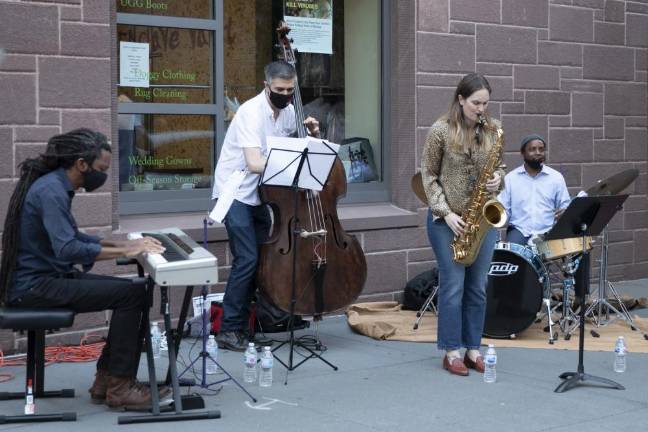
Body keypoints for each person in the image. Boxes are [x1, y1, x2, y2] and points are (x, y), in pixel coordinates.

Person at [0, 128, 169, 410]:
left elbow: (76, 238)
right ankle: (120, 386)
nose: (103, 175)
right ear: (81, 164)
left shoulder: (53, 185)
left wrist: (124, 245)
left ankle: (106, 380)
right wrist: (127, 249)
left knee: (132, 291)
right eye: (101, 169)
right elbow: (68, 249)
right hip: (35, 286)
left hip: (45, 279)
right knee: (131, 296)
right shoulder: (51, 192)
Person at [212, 60, 320, 351]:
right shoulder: (250, 112)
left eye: (290, 90)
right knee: (246, 259)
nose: (286, 95)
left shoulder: (287, 113)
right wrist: (291, 159)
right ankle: (228, 329)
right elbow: (255, 162)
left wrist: (310, 136)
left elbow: (296, 149)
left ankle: (249, 322)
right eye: (280, 89)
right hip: (234, 191)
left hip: (259, 195)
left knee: (259, 262)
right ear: (266, 86)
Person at [421, 73, 505, 377]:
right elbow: (427, 176)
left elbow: (500, 167)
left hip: (482, 220)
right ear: (460, 99)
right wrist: (445, 213)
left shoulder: (493, 131)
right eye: (476, 103)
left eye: (485, 103)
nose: (481, 109)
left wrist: (499, 179)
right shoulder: (440, 131)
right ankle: (451, 350)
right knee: (453, 286)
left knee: (478, 288)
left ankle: (473, 348)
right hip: (447, 222)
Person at [498, 134, 571, 246]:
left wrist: (565, 211)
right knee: (511, 255)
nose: (538, 152)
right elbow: (503, 210)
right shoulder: (510, 178)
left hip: (548, 231)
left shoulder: (556, 177)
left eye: (541, 149)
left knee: (578, 250)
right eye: (532, 149)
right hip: (519, 230)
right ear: (523, 153)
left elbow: (565, 206)